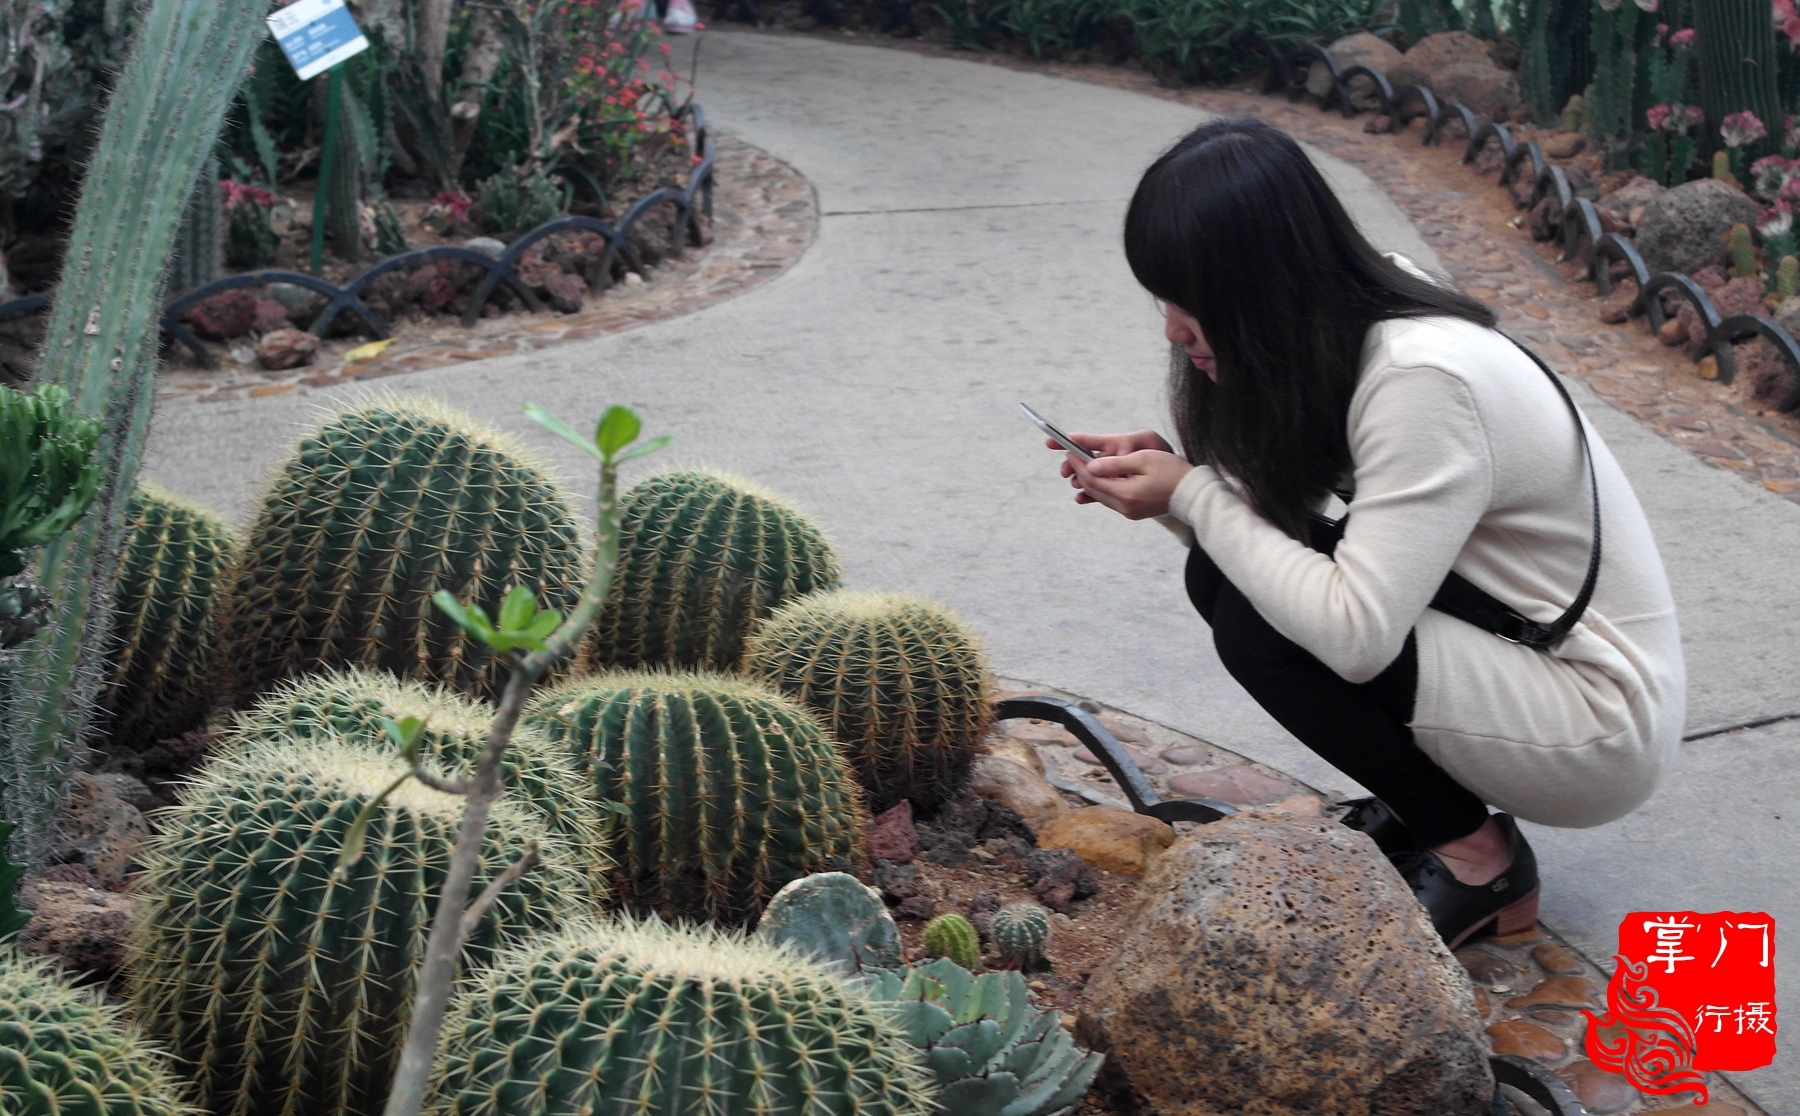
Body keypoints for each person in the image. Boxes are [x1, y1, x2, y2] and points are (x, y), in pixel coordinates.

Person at [1049, 118, 1684, 950]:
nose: (1172, 328)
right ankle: (1424, 810)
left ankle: (1478, 860)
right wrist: (1178, 490)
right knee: (1224, 577)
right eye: (1162, 296)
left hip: (1597, 720)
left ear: (1261, 285)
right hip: (1519, 651)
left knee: (1257, 617)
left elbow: (1354, 635)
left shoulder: (1421, 377)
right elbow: (1279, 545)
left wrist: (1198, 496)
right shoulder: (1354, 318)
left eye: (1191, 299)